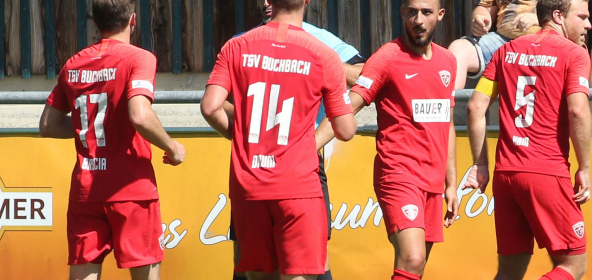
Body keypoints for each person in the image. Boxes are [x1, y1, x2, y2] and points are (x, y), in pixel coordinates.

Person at [200, 0, 357, 279]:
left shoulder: (236, 46)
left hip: (248, 181)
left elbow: (210, 106)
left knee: (257, 274)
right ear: (307, 1)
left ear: (268, 1)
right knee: (302, 272)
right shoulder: (324, 53)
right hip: (298, 181)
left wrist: (243, 139)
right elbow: (345, 129)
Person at [38, 0, 187, 279]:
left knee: (83, 272)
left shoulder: (74, 63)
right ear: (133, 20)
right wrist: (172, 146)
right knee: (145, 271)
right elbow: (140, 115)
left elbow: (47, 125)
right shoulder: (139, 58)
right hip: (131, 187)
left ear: (95, 23)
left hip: (87, 189)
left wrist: (91, 126)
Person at [315, 0, 459, 279]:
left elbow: (447, 123)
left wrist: (451, 184)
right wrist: (308, 146)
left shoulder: (447, 61)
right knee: (412, 258)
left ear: (439, 16)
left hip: (432, 180)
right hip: (398, 174)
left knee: (413, 268)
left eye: (426, 12)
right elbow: (346, 107)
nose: (418, 20)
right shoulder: (387, 57)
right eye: (412, 12)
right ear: (402, 13)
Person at [464, 0, 592, 279]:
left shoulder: (506, 50)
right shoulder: (574, 54)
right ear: (558, 16)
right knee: (573, 265)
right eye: (582, 17)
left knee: (510, 272)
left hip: (506, 175)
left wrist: (480, 164)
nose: (588, 25)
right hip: (546, 172)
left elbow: (475, 107)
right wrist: (584, 167)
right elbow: (578, 110)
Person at [447, 0, 539, 89]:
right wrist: (481, 18)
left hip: (542, 41)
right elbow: (486, 6)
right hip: (502, 41)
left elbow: (552, 8)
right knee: (459, 49)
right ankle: (449, 101)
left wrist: (540, 18)